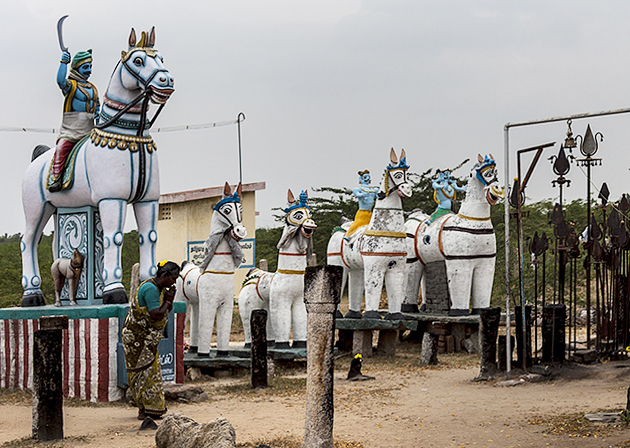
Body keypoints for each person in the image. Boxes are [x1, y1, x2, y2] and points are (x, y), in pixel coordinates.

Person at [121, 260, 180, 420]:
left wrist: (170, 299)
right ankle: (145, 409)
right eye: (173, 278)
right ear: (165, 275)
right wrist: (168, 300)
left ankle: (150, 409)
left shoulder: (159, 289)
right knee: (143, 372)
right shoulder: (151, 289)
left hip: (146, 339)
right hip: (138, 338)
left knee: (149, 372)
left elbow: (167, 309)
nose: (174, 281)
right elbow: (156, 314)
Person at [49, 48, 100, 192]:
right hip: (72, 129)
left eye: (90, 67)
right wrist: (64, 62)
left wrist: (98, 115)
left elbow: (97, 106)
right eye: (85, 67)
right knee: (62, 148)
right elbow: (60, 81)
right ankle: (56, 178)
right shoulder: (72, 86)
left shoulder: (93, 88)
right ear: (77, 67)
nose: (89, 70)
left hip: (90, 130)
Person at [344, 170, 379, 240]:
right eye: (365, 177)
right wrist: (362, 195)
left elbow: (378, 196)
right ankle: (348, 235)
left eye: (368, 177)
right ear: (361, 179)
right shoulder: (358, 189)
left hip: (371, 213)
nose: (367, 179)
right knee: (356, 224)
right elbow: (357, 194)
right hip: (362, 212)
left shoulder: (373, 189)